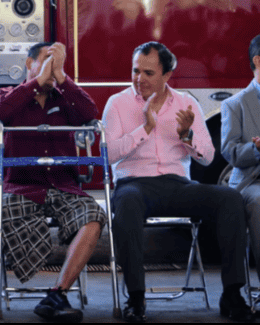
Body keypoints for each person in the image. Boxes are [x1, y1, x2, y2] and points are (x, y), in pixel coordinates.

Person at [103, 41, 252, 323]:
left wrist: (187, 136)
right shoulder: (118, 103)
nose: (139, 79)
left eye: (148, 73)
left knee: (230, 199)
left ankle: (232, 292)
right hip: (134, 183)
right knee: (127, 204)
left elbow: (208, 158)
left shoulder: (186, 103)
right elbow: (108, 155)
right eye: (135, 71)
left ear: (167, 75)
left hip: (177, 185)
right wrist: (145, 128)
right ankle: (135, 298)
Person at [0, 41, 105, 323]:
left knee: (94, 215)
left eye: (58, 63)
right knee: (5, 210)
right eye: (47, 61)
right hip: (20, 186)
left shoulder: (65, 99)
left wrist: (61, 75)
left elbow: (90, 113)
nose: (52, 70)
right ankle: (46, 288)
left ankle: (58, 292)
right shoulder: (4, 95)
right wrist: (36, 83)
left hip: (63, 185)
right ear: (29, 64)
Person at [222, 34, 260, 285]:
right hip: (251, 181)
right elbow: (230, 152)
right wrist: (257, 148)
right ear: (258, 60)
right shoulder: (235, 104)